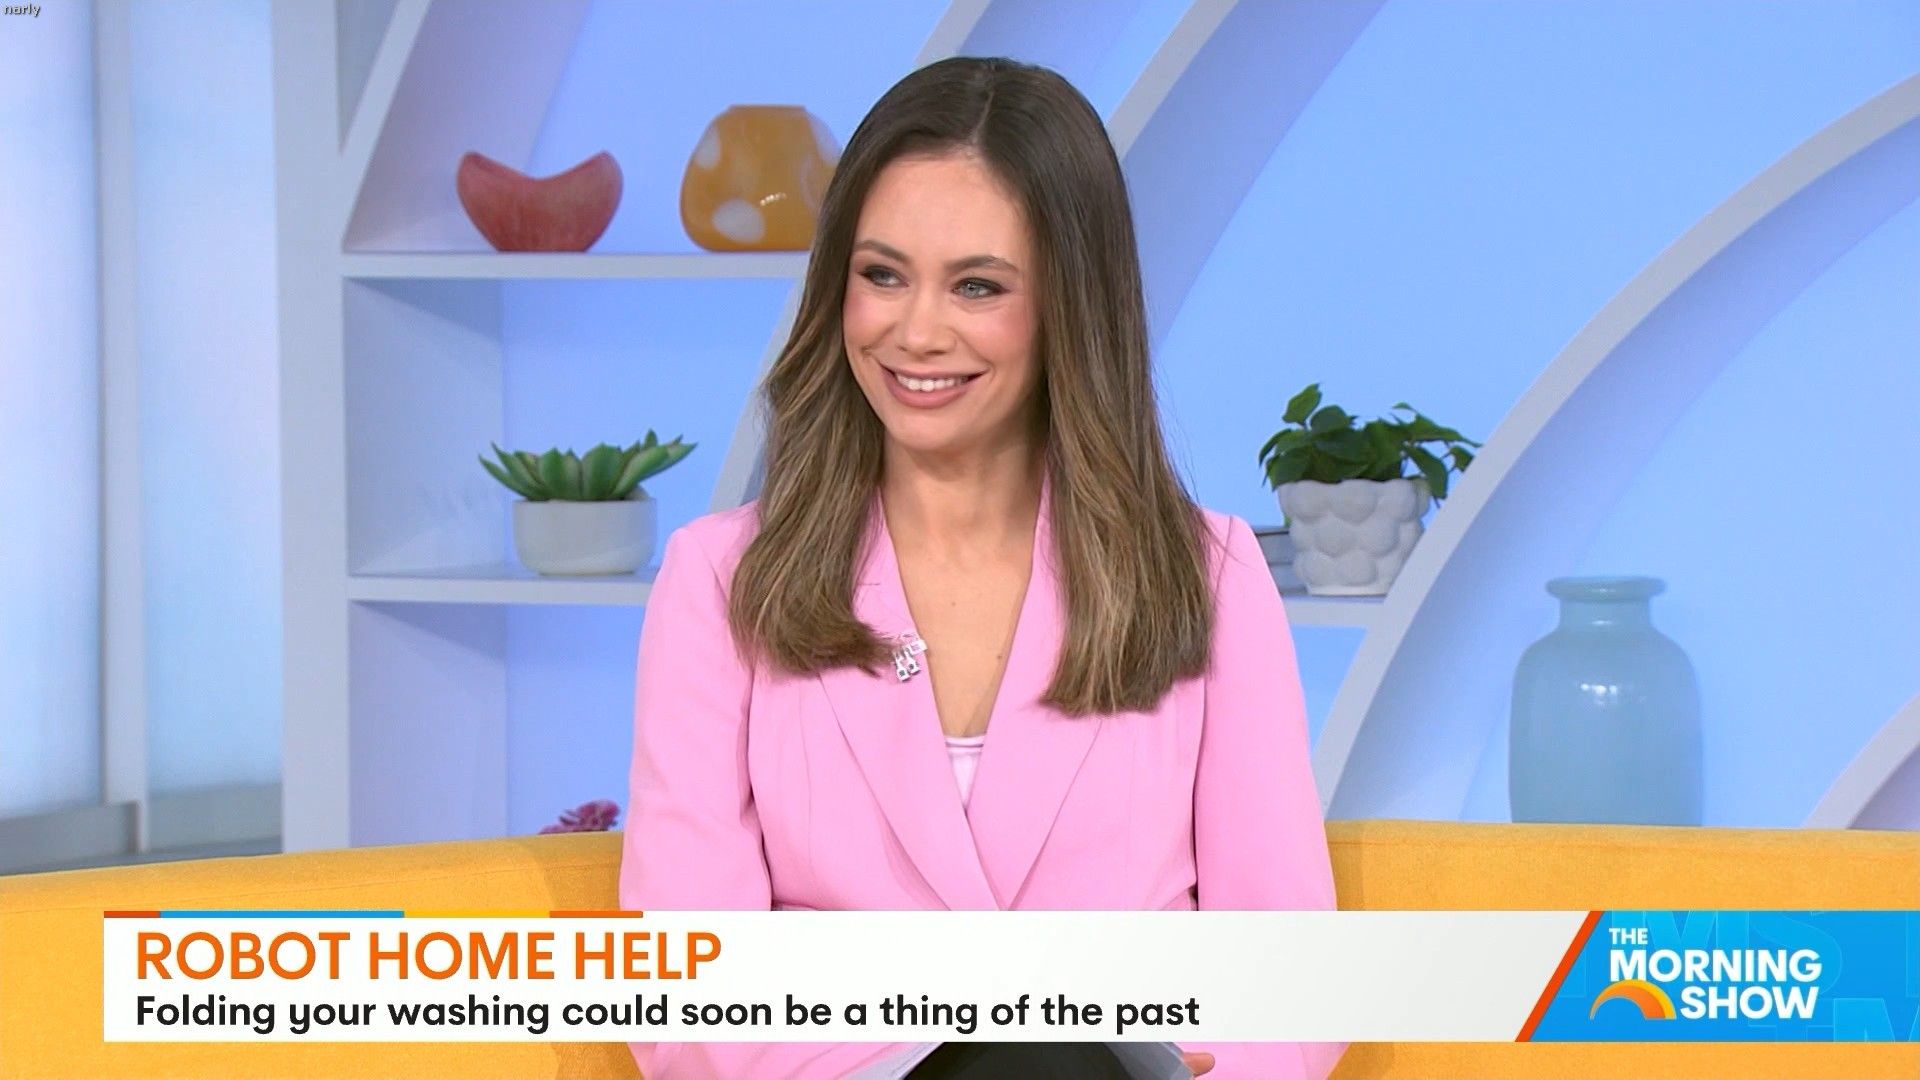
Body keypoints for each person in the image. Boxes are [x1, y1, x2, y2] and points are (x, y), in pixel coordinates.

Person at [620, 56, 1345, 1080]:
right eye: (881, 275)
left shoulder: (1210, 577)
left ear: (1069, 307)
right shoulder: (719, 581)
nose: (917, 332)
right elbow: (687, 988)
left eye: (977, 286)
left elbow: (1287, 975)